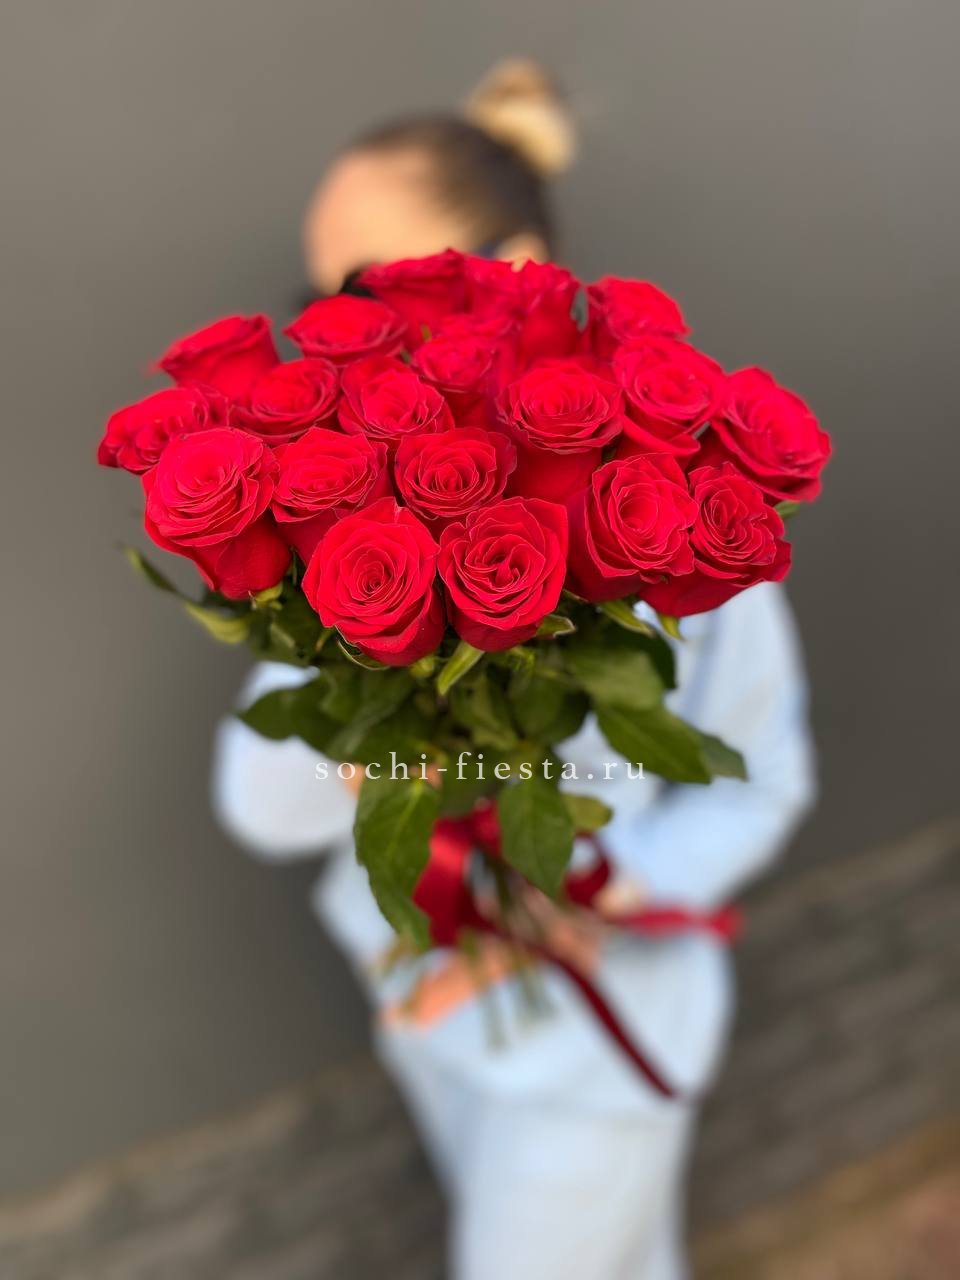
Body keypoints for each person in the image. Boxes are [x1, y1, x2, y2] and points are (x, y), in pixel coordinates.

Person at [213, 59, 816, 1280]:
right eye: (317, 301)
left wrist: (596, 896)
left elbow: (762, 780)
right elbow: (259, 803)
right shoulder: (344, 532)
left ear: (519, 273)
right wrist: (386, 711)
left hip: (596, 1042)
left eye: (369, 291)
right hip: (429, 1017)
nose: (331, 336)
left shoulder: (674, 531)